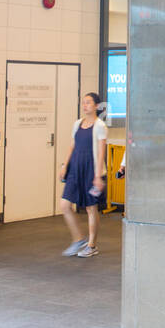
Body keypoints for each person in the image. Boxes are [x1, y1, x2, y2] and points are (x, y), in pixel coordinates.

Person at [58, 92, 108, 257]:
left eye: (88, 102)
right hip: (75, 168)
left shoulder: (100, 126)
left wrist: (98, 175)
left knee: (90, 208)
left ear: (96, 106)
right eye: (83, 102)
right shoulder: (77, 124)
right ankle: (79, 239)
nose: (84, 105)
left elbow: (101, 151)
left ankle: (92, 245)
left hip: (91, 170)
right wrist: (65, 165)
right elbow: (72, 145)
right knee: (65, 204)